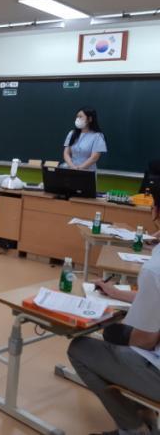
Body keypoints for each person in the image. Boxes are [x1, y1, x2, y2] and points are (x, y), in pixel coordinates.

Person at [68, 184, 160, 435]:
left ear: (155, 211)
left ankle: (133, 428)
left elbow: (146, 340)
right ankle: (146, 417)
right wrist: (117, 293)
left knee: (80, 348)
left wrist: (112, 330)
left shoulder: (154, 269)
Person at [63, 107, 107, 171]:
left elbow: (94, 157)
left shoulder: (97, 136)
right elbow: (66, 153)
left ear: (90, 119)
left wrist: (79, 168)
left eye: (80, 117)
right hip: (71, 169)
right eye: (77, 117)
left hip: (88, 172)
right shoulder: (71, 133)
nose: (77, 119)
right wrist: (72, 166)